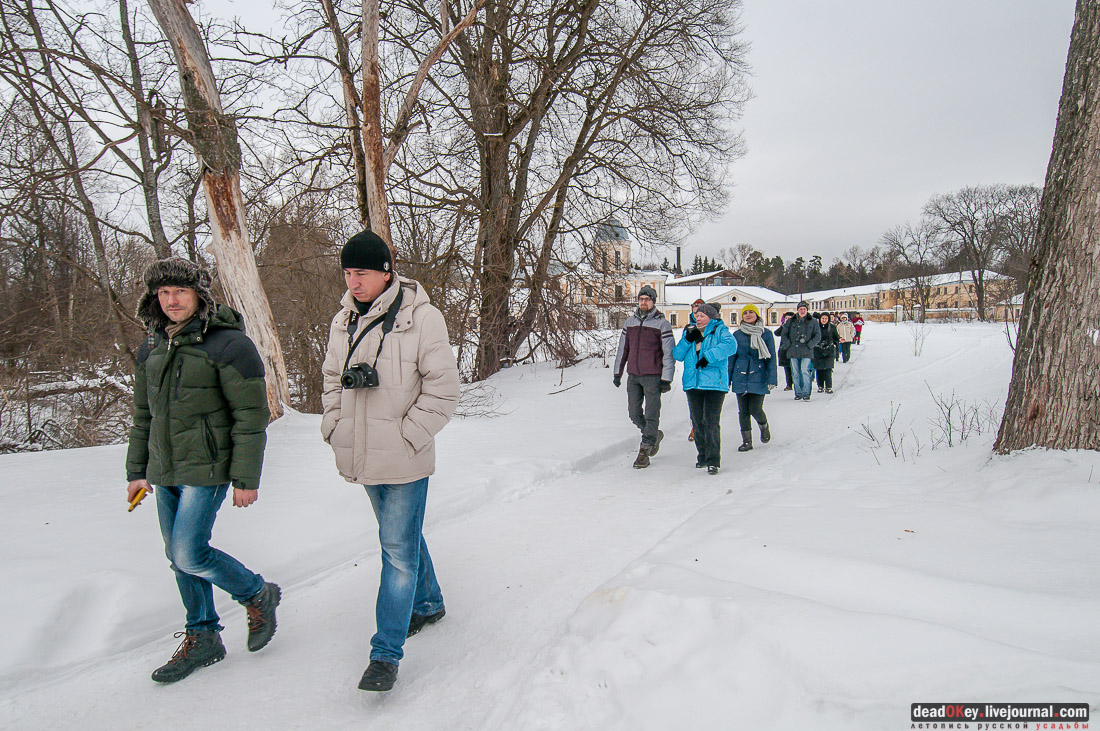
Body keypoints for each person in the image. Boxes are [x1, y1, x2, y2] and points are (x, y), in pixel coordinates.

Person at [125, 257, 279, 684]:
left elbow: (251, 415)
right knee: (178, 560)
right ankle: (204, 636)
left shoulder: (229, 344)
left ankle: (256, 593)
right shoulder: (153, 344)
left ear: (199, 296)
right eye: (164, 293)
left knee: (188, 552)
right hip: (164, 467)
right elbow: (143, 414)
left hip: (208, 467)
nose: (172, 300)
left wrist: (246, 478)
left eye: (181, 292)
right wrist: (137, 470)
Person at [320, 229, 460, 692]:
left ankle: (385, 654)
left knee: (396, 552)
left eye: (361, 273)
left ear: (385, 272)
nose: (353, 282)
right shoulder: (342, 320)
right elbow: (330, 380)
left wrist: (407, 438)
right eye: (347, 273)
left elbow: (443, 390)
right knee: (401, 536)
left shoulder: (423, 317)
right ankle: (429, 603)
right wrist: (333, 425)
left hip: (404, 456)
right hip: (360, 452)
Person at [612, 285, 675, 468]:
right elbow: (623, 349)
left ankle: (645, 450)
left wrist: (666, 378)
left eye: (647, 299)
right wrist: (618, 372)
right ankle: (653, 434)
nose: (644, 302)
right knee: (633, 413)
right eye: (641, 299)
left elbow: (668, 353)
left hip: (653, 376)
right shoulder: (630, 322)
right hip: (634, 376)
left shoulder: (662, 324)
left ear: (653, 302)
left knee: (651, 413)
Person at [673, 303, 737, 475]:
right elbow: (677, 355)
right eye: (696, 315)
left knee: (711, 421)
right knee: (697, 421)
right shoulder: (690, 332)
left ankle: (713, 460)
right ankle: (702, 456)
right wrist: (687, 339)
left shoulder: (720, 330)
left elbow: (731, 346)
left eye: (702, 315)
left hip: (714, 384)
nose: (698, 318)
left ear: (711, 317)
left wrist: (708, 357)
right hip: (693, 384)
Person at [728, 304, 777, 452]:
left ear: (757, 315)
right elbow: (731, 358)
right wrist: (728, 379)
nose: (748, 315)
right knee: (743, 410)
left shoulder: (766, 334)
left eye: (751, 312)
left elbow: (771, 358)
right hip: (740, 375)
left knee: (755, 409)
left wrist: (772, 379)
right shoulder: (737, 335)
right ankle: (747, 441)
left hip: (759, 374)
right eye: (745, 313)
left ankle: (764, 426)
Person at [779, 301, 820, 401]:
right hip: (793, 351)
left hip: (806, 351)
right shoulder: (791, 321)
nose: (802, 311)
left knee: (805, 371)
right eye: (800, 309)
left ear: (807, 310)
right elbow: (784, 334)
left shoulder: (813, 321)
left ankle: (806, 393)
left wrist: (810, 345)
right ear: (797, 310)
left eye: (804, 309)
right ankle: (798, 392)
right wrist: (788, 345)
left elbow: (817, 336)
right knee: (795, 373)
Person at [813, 312, 839, 393]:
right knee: (819, 369)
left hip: (829, 350)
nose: (824, 320)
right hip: (818, 351)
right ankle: (820, 386)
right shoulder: (816, 328)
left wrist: (834, 344)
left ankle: (828, 386)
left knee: (828, 369)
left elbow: (836, 338)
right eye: (822, 318)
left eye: (826, 318)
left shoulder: (832, 327)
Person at [775, 311, 794, 390]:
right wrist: (783, 326)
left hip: (794, 351)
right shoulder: (784, 327)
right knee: (787, 369)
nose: (787, 320)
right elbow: (776, 333)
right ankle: (789, 384)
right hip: (784, 351)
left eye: (789, 318)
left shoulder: (796, 327)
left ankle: (797, 384)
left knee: (795, 369)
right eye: (786, 318)